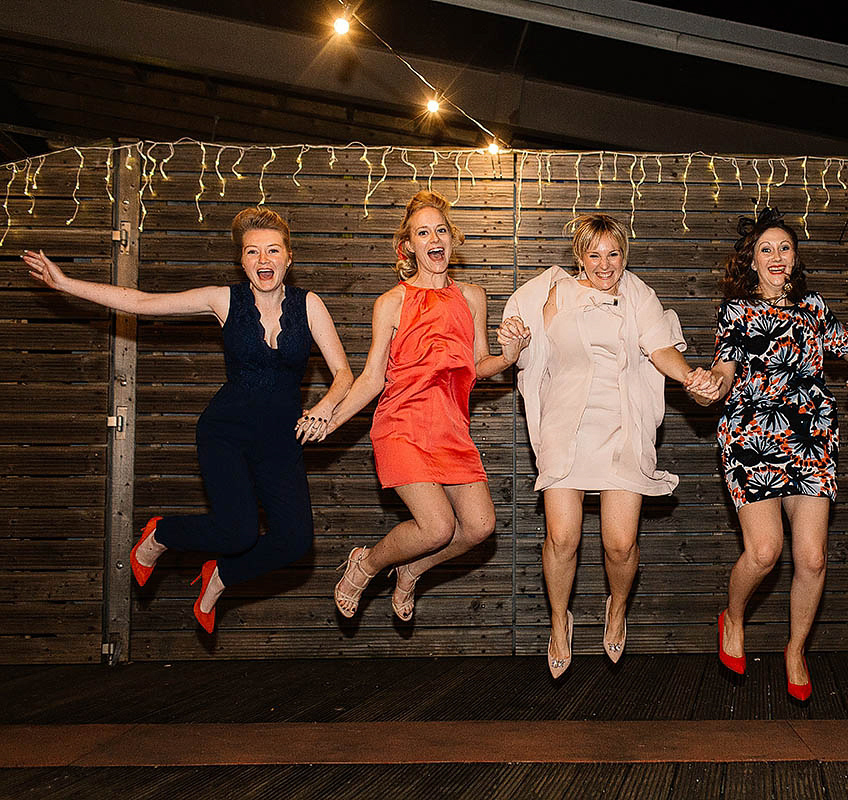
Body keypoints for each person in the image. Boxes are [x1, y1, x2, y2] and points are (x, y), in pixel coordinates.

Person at [23, 208, 353, 633]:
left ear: (288, 258)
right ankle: (161, 534)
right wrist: (66, 283)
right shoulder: (223, 299)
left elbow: (344, 374)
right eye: (252, 251)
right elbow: (141, 302)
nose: (262, 258)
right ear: (242, 260)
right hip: (225, 433)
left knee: (294, 541)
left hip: (279, 440)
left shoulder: (310, 305)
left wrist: (325, 407)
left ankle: (220, 576)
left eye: (272, 250)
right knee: (238, 533)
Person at [503, 213, 719, 678]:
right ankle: (560, 619)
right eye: (595, 254)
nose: (605, 265)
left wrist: (691, 378)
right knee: (563, 538)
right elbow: (523, 352)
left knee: (620, 546)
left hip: (623, 426)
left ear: (625, 255)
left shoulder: (638, 294)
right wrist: (513, 344)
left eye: (614, 254)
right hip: (566, 425)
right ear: (579, 255)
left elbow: (661, 348)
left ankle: (617, 606)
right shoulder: (549, 294)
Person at [691, 207, 848, 701]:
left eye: (785, 248)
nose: (777, 256)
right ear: (751, 261)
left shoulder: (814, 307)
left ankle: (795, 649)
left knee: (812, 559)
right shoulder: (735, 310)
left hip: (812, 437)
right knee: (766, 552)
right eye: (766, 249)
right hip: (751, 436)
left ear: (795, 258)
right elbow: (726, 369)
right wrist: (712, 383)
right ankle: (733, 617)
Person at [328, 190, 529, 625]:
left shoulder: (472, 296)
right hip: (400, 425)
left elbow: (477, 365)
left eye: (441, 230)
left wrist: (509, 356)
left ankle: (412, 568)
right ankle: (364, 566)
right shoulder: (392, 302)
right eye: (423, 232)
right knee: (436, 526)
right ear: (409, 247)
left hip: (451, 429)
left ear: (451, 240)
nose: (434, 238)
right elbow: (371, 378)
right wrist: (332, 420)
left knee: (479, 527)